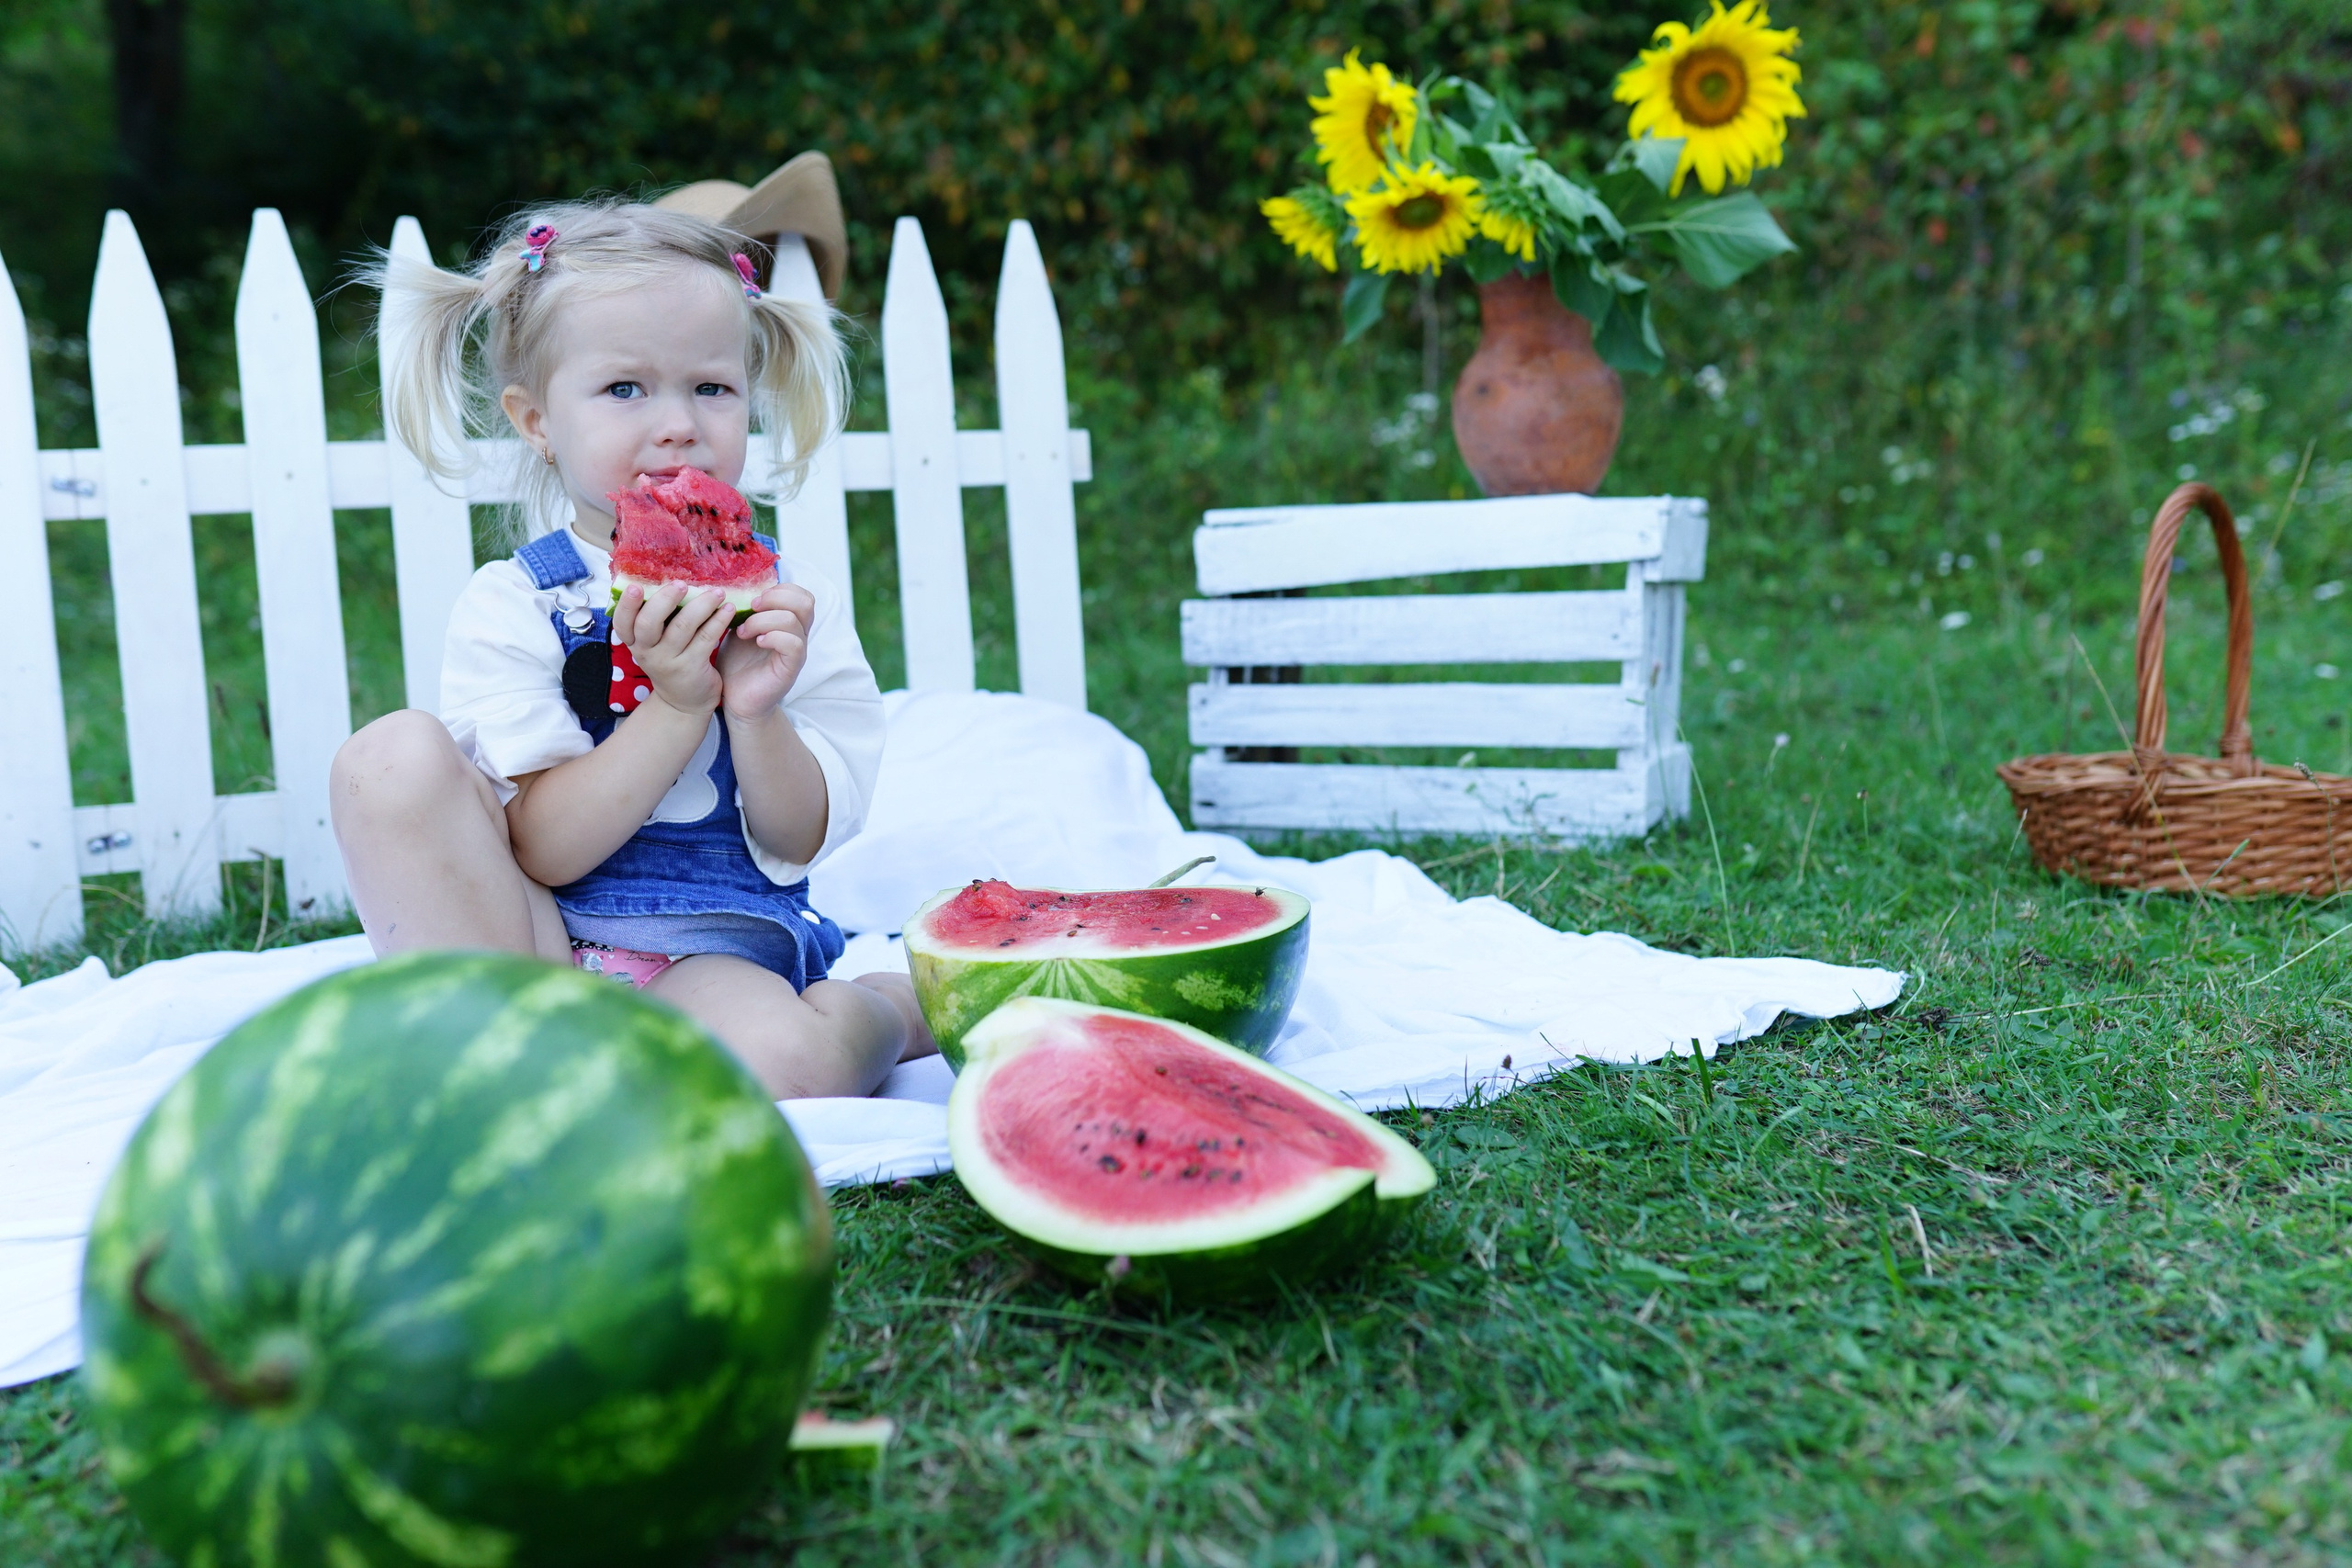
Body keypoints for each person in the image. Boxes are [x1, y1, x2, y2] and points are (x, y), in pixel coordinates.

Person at [332, 197, 933, 1099]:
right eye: (624, 389)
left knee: (795, 1066)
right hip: (538, 941)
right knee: (385, 758)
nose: (678, 423)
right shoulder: (516, 606)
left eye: (712, 388)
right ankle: (483, 1046)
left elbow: (798, 837)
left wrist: (752, 710)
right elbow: (543, 851)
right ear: (536, 421)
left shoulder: (784, 603)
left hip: (710, 956)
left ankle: (891, 1007)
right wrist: (676, 706)